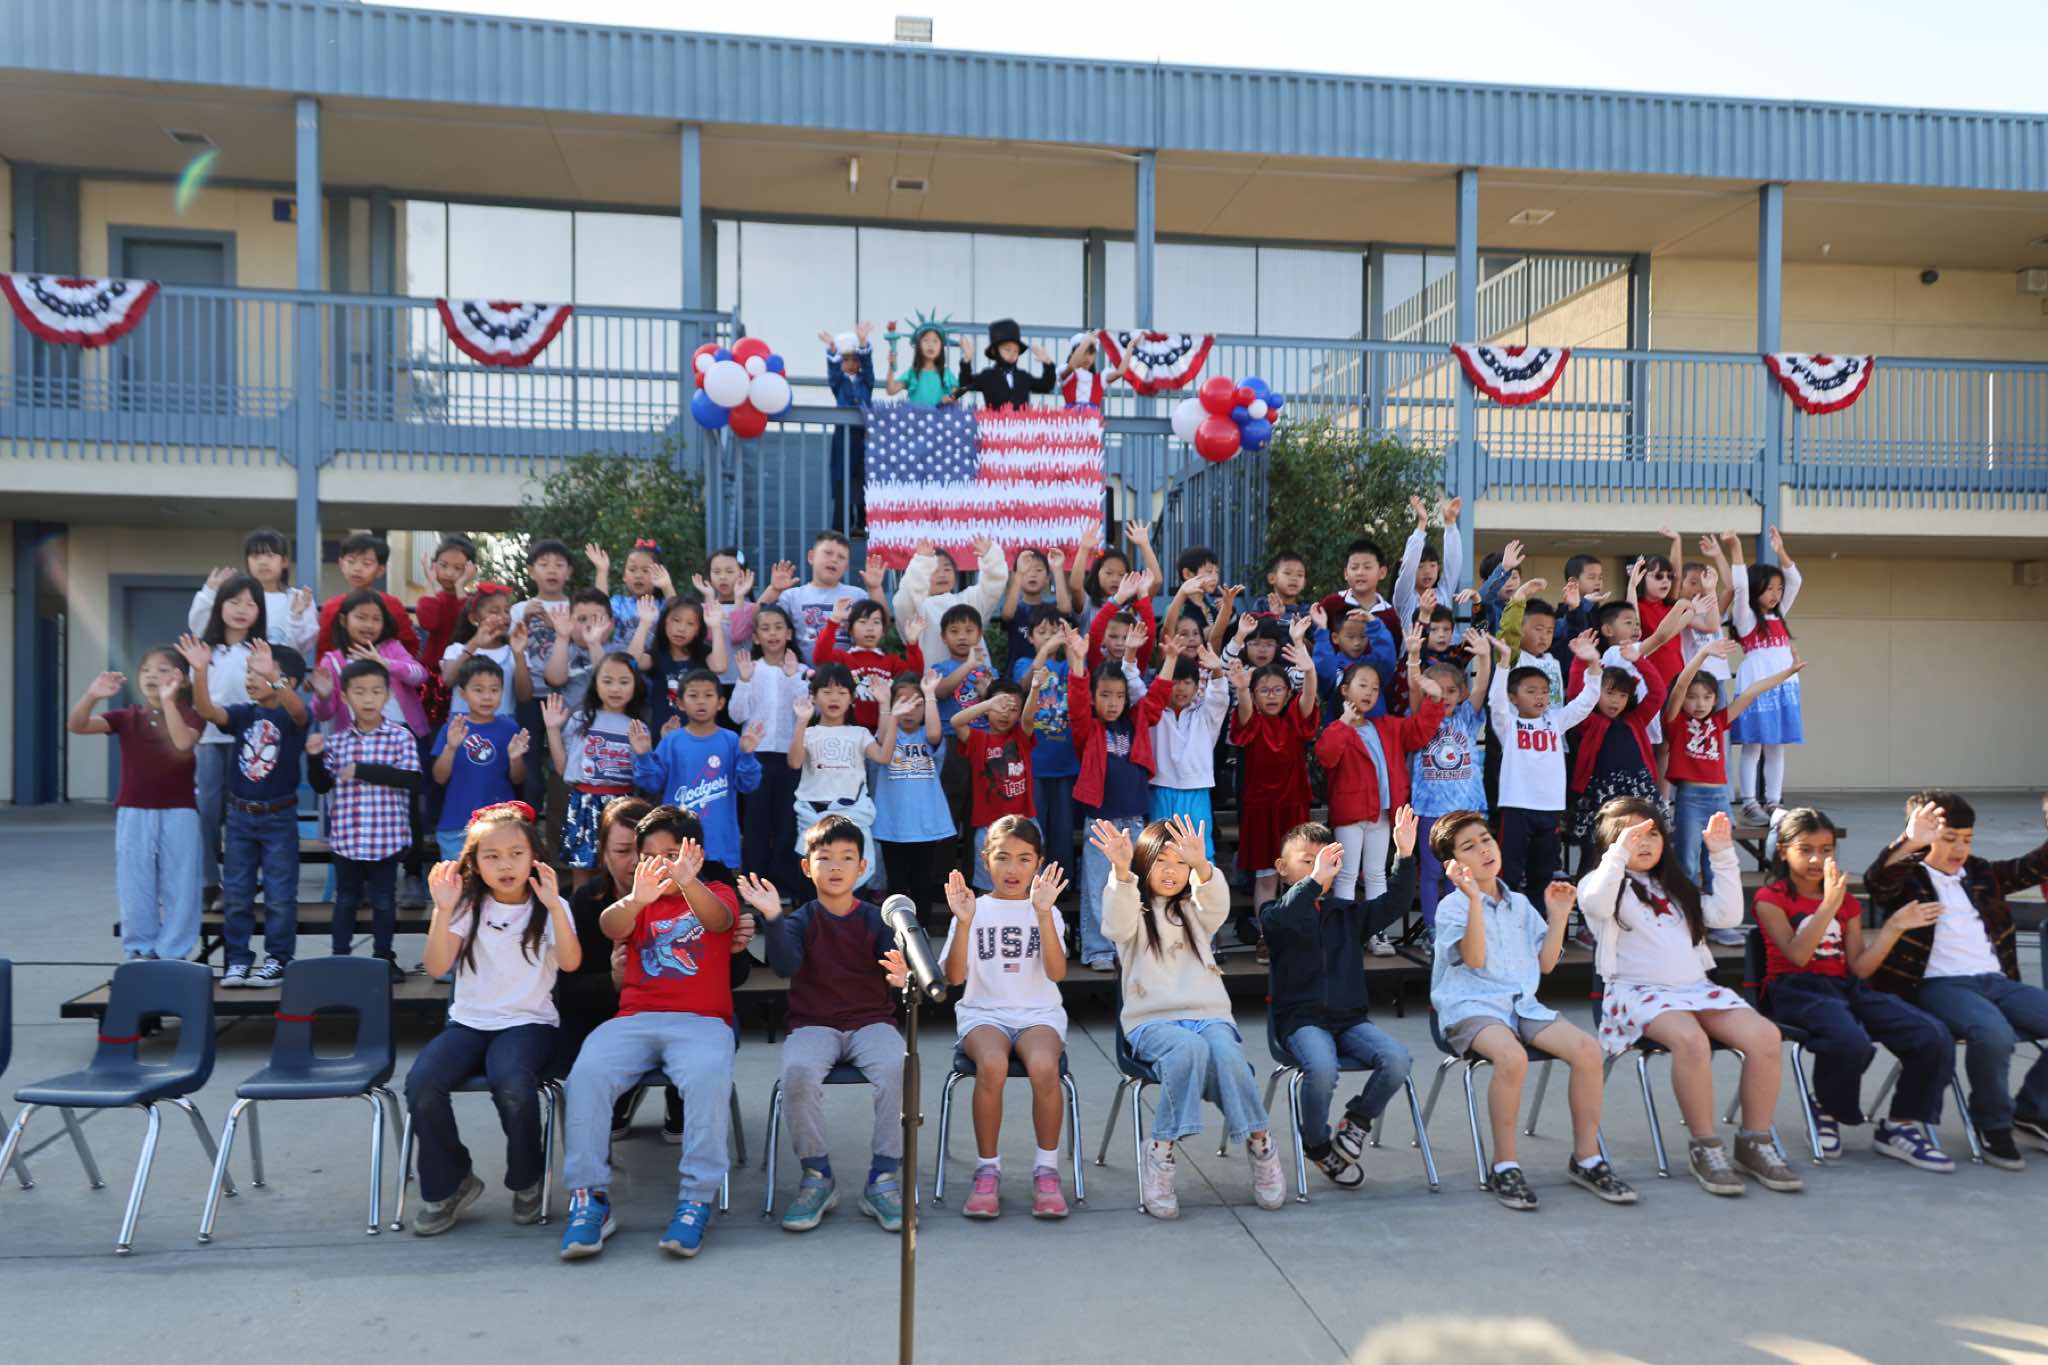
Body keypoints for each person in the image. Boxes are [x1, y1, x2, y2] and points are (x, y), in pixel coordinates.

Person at [1579, 797, 1803, 1196]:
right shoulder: (1602, 884)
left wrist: (1722, 854)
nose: (1644, 842)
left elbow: (1727, 915)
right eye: (1631, 836)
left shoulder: (1676, 886)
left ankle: (1754, 1141)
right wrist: (1618, 855)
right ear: (1612, 843)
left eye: (1652, 834)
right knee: (1691, 1041)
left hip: (1696, 990)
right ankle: (1705, 1145)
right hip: (1636, 992)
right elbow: (1595, 903)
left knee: (1766, 1037)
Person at [1428, 809, 1636, 1210]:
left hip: (1522, 1005)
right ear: (1453, 864)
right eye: (1469, 847)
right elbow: (1474, 959)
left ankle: (1586, 1158)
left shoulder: (1520, 904)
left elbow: (1545, 964)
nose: (1484, 850)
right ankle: (1504, 1165)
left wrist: (1558, 917)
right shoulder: (1452, 907)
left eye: (1486, 839)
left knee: (1588, 1050)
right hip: (1471, 1006)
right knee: (1512, 1057)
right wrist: (1473, 900)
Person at [559, 806, 742, 1260]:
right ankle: (589, 1198)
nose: (662, 864)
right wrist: (637, 899)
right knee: (587, 1074)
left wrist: (689, 881)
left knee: (706, 1077)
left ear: (695, 854)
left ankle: (696, 1198)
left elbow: (719, 920)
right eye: (650, 856)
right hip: (636, 1019)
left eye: (673, 854)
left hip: (701, 1021)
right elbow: (609, 925)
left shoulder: (716, 891)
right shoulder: (639, 902)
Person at [1093, 816, 1287, 1218]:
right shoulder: (1132, 907)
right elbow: (1115, 923)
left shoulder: (1195, 909)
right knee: (1189, 1050)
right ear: (1145, 863)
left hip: (1208, 1016)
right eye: (1161, 862)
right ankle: (1161, 1150)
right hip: (1151, 1022)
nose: (1171, 871)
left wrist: (1202, 866)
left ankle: (1260, 1142)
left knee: (1228, 1056)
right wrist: (1121, 871)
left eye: (1180, 863)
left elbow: (1216, 903)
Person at [406, 802, 581, 1235]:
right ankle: (452, 1182)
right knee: (422, 1083)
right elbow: (437, 966)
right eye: (492, 856)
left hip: (528, 1022)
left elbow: (571, 963)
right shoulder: (466, 905)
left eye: (516, 854)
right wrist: (442, 910)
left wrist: (554, 907)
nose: (505, 865)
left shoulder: (551, 904)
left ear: (534, 856)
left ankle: (527, 1179)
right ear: (475, 863)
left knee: (514, 1085)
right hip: (469, 1023)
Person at [1752, 807, 1955, 1172]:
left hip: (1844, 987)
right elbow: (1798, 956)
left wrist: (1893, 928)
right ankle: (1827, 1109)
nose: (1817, 859)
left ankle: (1899, 1126)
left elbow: (1860, 967)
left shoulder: (1844, 900)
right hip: (1795, 990)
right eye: (1805, 849)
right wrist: (1828, 904)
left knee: (1932, 1034)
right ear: (1783, 851)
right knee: (1850, 1041)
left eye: (1826, 850)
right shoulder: (1771, 898)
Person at [739, 815, 907, 1234]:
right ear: (806, 866)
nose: (835, 867)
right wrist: (773, 918)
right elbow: (784, 966)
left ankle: (883, 1176)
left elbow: (897, 970)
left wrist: (903, 977)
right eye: (825, 857)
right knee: (797, 1072)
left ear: (862, 867)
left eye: (847, 858)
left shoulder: (877, 919)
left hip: (871, 1022)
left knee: (896, 1066)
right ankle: (817, 1175)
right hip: (814, 1023)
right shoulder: (801, 920)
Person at [1863, 791, 2048, 1171]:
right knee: (1993, 1034)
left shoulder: (1979, 873)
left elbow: (2032, 867)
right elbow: (1878, 881)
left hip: (1996, 982)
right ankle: (1993, 1125)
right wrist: (1909, 842)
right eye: (1949, 839)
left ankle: (2032, 1111)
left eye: (1967, 839)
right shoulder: (1908, 879)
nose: (1959, 849)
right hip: (1940, 985)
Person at [1259, 816, 1417, 1189]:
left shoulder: (1347, 914)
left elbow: (1395, 902)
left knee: (1397, 1059)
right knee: (1322, 1066)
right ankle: (1317, 1144)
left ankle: (1357, 1121)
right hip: (1301, 1022)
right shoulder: (1275, 914)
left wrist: (1404, 855)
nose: (1319, 868)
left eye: (1326, 861)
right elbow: (1288, 913)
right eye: (1307, 861)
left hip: (1349, 1021)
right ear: (1282, 868)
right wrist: (1314, 880)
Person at [934, 817, 1072, 1219]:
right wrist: (963, 922)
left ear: (1039, 863)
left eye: (1024, 859)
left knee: (1044, 1066)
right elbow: (954, 977)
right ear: (985, 860)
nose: (1013, 869)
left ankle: (1046, 1171)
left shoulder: (1047, 911)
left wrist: (1042, 914)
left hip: (1038, 1013)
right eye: (1003, 857)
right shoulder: (973, 909)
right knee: (992, 1063)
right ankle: (987, 1170)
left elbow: (1057, 973)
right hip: (984, 1014)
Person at [170, 636, 310, 989]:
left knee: (280, 896)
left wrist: (274, 679)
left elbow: (299, 711)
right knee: (236, 895)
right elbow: (208, 711)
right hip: (240, 818)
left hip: (279, 818)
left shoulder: (290, 717)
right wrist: (200, 671)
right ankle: (237, 960)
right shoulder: (244, 713)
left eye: (258, 671)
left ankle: (278, 959)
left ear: (287, 680)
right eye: (248, 671)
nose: (250, 678)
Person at [67, 649, 203, 962]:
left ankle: (174, 952)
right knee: (135, 881)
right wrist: (92, 695)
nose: (152, 675)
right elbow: (77, 725)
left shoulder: (190, 714)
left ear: (182, 680)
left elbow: (182, 742)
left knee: (181, 882)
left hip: (180, 810)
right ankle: (141, 948)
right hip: (134, 810)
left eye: (163, 670)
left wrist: (169, 703)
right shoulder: (126, 717)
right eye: (146, 670)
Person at [1663, 639, 1805, 919]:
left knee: (1716, 862)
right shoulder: (1676, 722)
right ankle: (1685, 918)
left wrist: (1788, 673)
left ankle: (1717, 919)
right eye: (1693, 697)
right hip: (1690, 799)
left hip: (1719, 800)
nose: (1699, 703)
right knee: (1687, 863)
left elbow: (1752, 691)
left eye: (1707, 697)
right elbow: (1680, 685)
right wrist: (1703, 653)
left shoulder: (1720, 720)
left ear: (1715, 699)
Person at [1065, 626, 1173, 971]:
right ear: (1094, 698)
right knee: (1098, 886)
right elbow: (1076, 704)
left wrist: (1170, 658)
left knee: (1134, 886)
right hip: (1102, 821)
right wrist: (1078, 661)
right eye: (1105, 696)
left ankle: (1129, 944)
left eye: (1119, 696)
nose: (1112, 703)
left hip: (1135, 820)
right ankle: (1098, 949)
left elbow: (1157, 699)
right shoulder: (1089, 729)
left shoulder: (1135, 722)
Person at [1316, 632, 1445, 914]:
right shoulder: (1338, 727)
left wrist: (1434, 700)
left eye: (1375, 689)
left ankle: (1377, 931)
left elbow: (1418, 732)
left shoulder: (1387, 725)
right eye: (1362, 685)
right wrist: (1344, 723)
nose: (1369, 693)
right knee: (1347, 873)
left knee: (1376, 873)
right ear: (1345, 690)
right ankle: (1346, 927)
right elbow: (1326, 756)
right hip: (1350, 813)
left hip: (1384, 813)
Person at [311, 658, 421, 979]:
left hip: (385, 838)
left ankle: (383, 958)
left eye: (376, 691)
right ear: (345, 697)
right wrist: (313, 758)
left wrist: (362, 770)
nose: (368, 699)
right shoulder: (338, 741)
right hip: (348, 838)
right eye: (359, 692)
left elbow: (411, 779)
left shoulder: (401, 737)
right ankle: (339, 958)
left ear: (388, 695)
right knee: (345, 900)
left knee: (384, 901)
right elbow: (321, 784)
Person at [1488, 630, 1603, 899]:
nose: (1539, 697)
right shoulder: (1509, 725)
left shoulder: (1556, 720)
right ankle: (1508, 918)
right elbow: (1496, 704)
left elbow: (1586, 702)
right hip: (1516, 806)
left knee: (1542, 873)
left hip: (1550, 808)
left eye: (1544, 691)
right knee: (1510, 871)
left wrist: (1594, 665)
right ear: (1513, 697)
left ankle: (1540, 920)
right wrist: (1503, 663)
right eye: (1531, 691)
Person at [1226, 622, 1321, 917]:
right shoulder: (1251, 721)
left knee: (1301, 877)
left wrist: (1309, 670)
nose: (1271, 695)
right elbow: (1243, 710)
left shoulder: (1295, 718)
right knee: (1266, 879)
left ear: (1288, 693)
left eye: (1277, 689)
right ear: (1255, 695)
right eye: (1264, 690)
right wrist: (1242, 688)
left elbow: (1308, 699)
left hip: (1293, 809)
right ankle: (1266, 935)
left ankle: (1302, 931)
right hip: (1260, 812)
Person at [632, 668, 764, 872]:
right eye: (693, 696)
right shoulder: (672, 741)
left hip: (719, 843)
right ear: (680, 703)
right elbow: (651, 783)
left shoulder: (731, 740)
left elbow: (748, 785)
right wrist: (643, 755)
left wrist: (747, 755)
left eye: (708, 695)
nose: (701, 701)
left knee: (718, 890)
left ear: (720, 702)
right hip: (676, 841)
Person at [1406, 632, 1494, 934]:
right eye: (1438, 690)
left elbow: (1481, 686)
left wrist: (1484, 657)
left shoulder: (1467, 716)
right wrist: (1414, 657)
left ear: (1461, 694)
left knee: (1463, 872)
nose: (1444, 696)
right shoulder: (1420, 714)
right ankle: (1433, 928)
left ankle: (1460, 928)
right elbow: (1413, 687)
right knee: (1432, 872)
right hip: (1430, 809)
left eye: (1451, 691)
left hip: (1466, 809)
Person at [190, 574, 265, 905]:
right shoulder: (205, 650)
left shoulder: (260, 651)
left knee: (243, 814)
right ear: (219, 606)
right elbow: (197, 617)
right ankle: (209, 881)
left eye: (250, 603)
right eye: (234, 601)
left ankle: (241, 882)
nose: (241, 609)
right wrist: (208, 591)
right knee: (207, 812)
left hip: (250, 743)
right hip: (209, 741)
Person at [543, 652, 647, 888]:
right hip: (585, 802)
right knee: (582, 866)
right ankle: (579, 909)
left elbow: (644, 775)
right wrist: (553, 729)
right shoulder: (581, 719)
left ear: (636, 685)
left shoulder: (638, 726)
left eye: (624, 681)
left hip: (622, 804)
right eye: (607, 681)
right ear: (595, 684)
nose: (615, 688)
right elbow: (562, 768)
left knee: (622, 866)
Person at [788, 663, 897, 883]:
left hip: (852, 814)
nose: (834, 698)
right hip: (812, 814)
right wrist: (801, 721)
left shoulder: (859, 733)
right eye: (827, 692)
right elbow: (794, 762)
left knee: (850, 876)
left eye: (841, 692)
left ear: (852, 698)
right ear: (814, 697)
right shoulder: (808, 733)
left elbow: (883, 756)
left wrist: (887, 707)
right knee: (812, 878)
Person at [1726, 529, 1805, 824]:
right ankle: (1749, 802)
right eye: (1769, 588)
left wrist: (1781, 551)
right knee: (1753, 745)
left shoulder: (1779, 613)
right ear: (1756, 588)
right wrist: (1735, 549)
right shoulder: (1745, 618)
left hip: (1784, 686)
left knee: (1776, 746)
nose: (1776, 594)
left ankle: (1773, 801)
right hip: (1756, 686)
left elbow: (1796, 580)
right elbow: (1740, 588)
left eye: (1778, 589)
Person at [730, 605, 810, 890]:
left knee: (788, 822)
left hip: (791, 756)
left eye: (778, 627)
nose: (772, 633)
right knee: (756, 823)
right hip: (756, 756)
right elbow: (736, 715)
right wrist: (744, 680)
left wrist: (792, 677)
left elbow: (807, 711)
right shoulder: (751, 670)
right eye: (765, 628)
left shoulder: (801, 671)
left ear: (788, 633)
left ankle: (783, 887)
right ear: (755, 637)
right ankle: (753, 886)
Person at [950, 673, 1049, 890]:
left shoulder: (1021, 737)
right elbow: (956, 721)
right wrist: (988, 703)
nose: (1005, 714)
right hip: (989, 828)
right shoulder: (978, 739)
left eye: (1013, 709)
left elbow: (1028, 719)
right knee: (989, 890)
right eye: (1000, 707)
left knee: (1031, 890)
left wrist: (1034, 689)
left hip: (1026, 824)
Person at [870, 674, 953, 931]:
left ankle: (922, 932)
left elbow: (936, 733)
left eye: (916, 704)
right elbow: (882, 739)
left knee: (922, 883)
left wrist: (929, 693)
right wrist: (886, 706)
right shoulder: (889, 736)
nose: (909, 710)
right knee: (896, 884)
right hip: (892, 825)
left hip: (924, 825)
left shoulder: (927, 736)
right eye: (902, 702)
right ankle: (896, 933)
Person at [430, 657, 530, 859]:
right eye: (478, 690)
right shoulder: (453, 727)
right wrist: (450, 747)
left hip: (499, 823)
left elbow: (518, 778)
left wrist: (515, 759)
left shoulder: (509, 727)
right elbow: (439, 777)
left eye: (494, 690)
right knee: (456, 876)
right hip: (457, 822)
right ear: (462, 693)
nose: (487, 697)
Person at [1146, 638, 1230, 862]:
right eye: (1174, 682)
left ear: (1196, 686)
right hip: (1160, 788)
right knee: (1160, 849)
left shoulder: (1205, 715)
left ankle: (1203, 885)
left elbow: (1220, 698)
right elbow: (1137, 689)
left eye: (1187, 682)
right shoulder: (1153, 714)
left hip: (1197, 790)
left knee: (1200, 850)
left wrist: (1217, 670)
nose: (1181, 688)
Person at [310, 588, 430, 741]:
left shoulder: (392, 647)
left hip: (405, 734)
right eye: (361, 617)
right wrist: (323, 697)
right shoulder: (332, 661)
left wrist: (385, 664)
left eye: (376, 619)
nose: (369, 625)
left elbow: (420, 676)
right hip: (358, 740)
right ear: (343, 620)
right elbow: (323, 715)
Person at [511, 537, 576, 809]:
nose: (552, 570)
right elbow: (511, 647)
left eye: (559, 565)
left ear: (568, 572)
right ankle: (530, 811)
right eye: (544, 564)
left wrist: (554, 626)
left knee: (567, 754)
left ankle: (565, 813)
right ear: (531, 571)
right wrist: (524, 618)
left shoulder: (574, 607)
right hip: (530, 694)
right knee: (530, 757)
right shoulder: (518, 608)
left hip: (568, 694)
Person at [189, 527, 318, 655]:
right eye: (255, 556)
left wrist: (296, 617)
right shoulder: (232, 593)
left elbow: (302, 646)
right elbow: (200, 628)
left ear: (284, 561)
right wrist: (209, 594)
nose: (263, 562)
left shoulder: (298, 599)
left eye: (270, 556)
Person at [892, 534, 1008, 669]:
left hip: (977, 680)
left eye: (947, 569)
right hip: (934, 680)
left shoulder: (969, 601)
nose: (942, 574)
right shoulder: (918, 609)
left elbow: (992, 587)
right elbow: (903, 601)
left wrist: (990, 557)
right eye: (934, 570)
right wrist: (921, 562)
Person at [813, 597, 922, 733]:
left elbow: (914, 677)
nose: (870, 628)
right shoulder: (843, 658)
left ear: (883, 630)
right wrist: (833, 621)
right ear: (850, 629)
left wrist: (912, 644)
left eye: (876, 622)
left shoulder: (892, 662)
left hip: (884, 730)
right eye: (863, 622)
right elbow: (820, 658)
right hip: (848, 730)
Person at [316, 531, 421, 658]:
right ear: (341, 564)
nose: (357, 569)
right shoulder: (331, 606)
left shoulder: (392, 605)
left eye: (366, 564)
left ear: (381, 570)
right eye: (351, 561)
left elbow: (409, 646)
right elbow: (323, 649)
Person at [779, 531, 878, 661]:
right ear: (811, 557)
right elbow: (759, 624)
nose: (834, 560)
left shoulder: (858, 595)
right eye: (828, 553)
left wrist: (875, 588)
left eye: (841, 557)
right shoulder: (791, 597)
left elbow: (881, 625)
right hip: (802, 671)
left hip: (848, 671)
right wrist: (774, 590)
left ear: (846, 567)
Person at [638, 597, 731, 734]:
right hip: (665, 735)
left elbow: (720, 667)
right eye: (676, 620)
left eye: (690, 623)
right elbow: (632, 662)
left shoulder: (703, 654)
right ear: (664, 622)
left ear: (698, 630)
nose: (681, 629)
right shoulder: (656, 655)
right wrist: (644, 624)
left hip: (701, 735)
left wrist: (716, 626)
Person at [438, 585, 529, 718]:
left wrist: (519, 655)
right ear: (474, 618)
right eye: (494, 611)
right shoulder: (456, 650)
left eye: (507, 611)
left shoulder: (514, 652)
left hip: (501, 725)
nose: (504, 616)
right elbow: (448, 680)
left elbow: (524, 696)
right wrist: (474, 644)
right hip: (462, 727)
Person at [1392, 495, 1464, 633]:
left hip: (1447, 648)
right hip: (1415, 647)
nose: (1427, 571)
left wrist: (1450, 525)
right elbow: (1408, 566)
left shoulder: (1443, 593)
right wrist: (1422, 523)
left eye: (1432, 565)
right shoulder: (1405, 597)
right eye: (1420, 566)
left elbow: (1453, 563)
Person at [586, 540, 672, 652]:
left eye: (645, 570)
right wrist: (602, 571)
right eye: (632, 570)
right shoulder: (619, 603)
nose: (638, 575)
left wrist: (667, 586)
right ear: (624, 576)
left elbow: (678, 612)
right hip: (621, 660)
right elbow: (600, 610)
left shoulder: (663, 604)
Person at [412, 533, 479, 674]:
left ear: (471, 570)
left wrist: (460, 586)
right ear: (434, 564)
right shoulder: (433, 598)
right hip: (432, 669)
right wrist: (430, 582)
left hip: (464, 670)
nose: (449, 573)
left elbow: (468, 626)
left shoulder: (475, 602)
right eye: (443, 565)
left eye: (458, 568)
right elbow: (428, 623)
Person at [958, 318, 1055, 410]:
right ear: (994, 351)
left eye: (1016, 351)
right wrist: (967, 360)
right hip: (995, 421)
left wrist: (1048, 364)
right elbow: (965, 383)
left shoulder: (1023, 376)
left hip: (1021, 421)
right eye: (1007, 349)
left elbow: (1046, 386)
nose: (1012, 354)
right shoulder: (987, 376)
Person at [884, 317, 958, 406]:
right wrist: (891, 366)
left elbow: (956, 399)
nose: (930, 345)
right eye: (926, 340)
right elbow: (891, 390)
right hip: (915, 415)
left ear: (941, 347)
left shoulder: (946, 374)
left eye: (935, 341)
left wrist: (948, 400)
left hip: (939, 415)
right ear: (918, 346)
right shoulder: (912, 373)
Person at [1056, 330, 1130, 409]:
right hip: (1071, 416)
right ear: (1072, 354)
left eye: (1091, 353)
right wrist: (1087, 340)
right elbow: (1072, 366)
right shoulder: (1067, 372)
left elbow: (1120, 372)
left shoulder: (1100, 378)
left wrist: (1130, 347)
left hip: (1093, 417)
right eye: (1083, 352)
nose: (1087, 357)